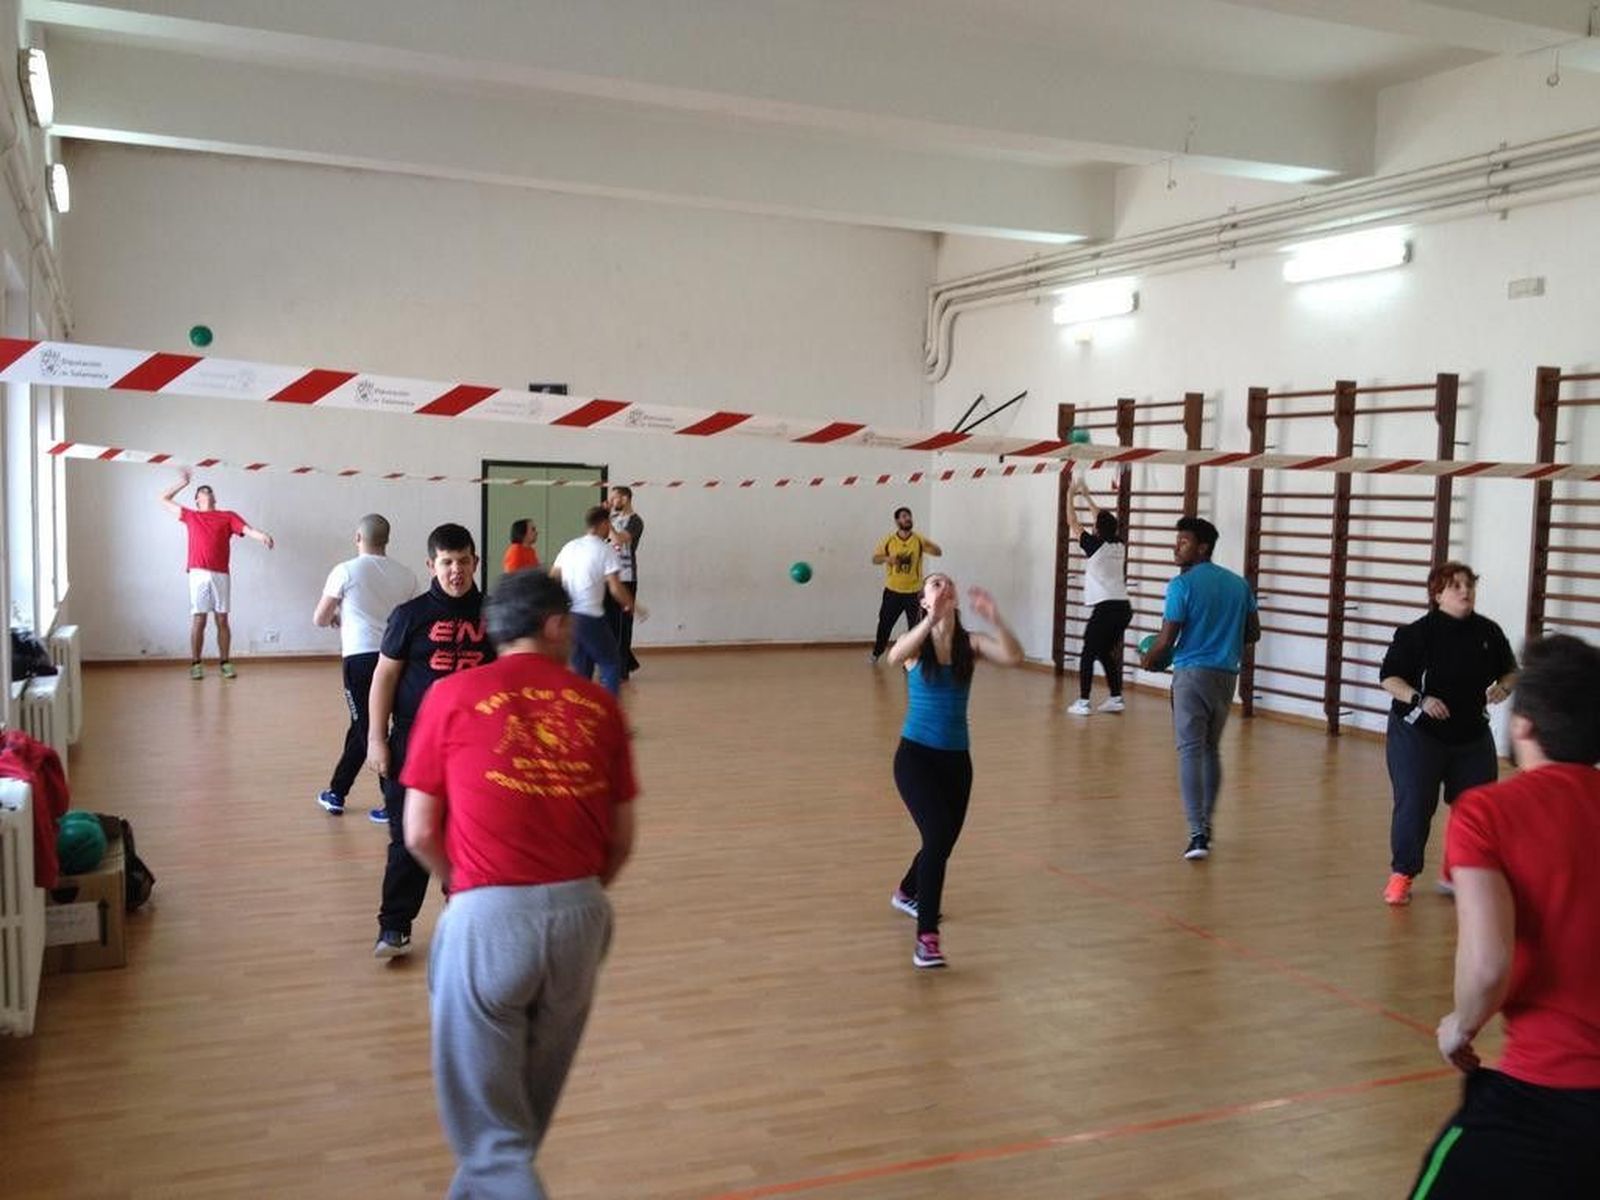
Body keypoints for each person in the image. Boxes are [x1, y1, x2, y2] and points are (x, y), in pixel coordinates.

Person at [402, 568, 636, 1200]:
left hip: (488, 918)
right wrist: (569, 898)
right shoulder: (600, 707)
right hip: (583, 918)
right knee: (512, 1133)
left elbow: (419, 831)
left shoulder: (451, 695)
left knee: (492, 1141)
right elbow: (619, 841)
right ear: (555, 624)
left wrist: (472, 893)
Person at [1406, 634, 1600, 1199]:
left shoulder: (1489, 811)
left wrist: (1460, 1027)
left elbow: (1490, 961)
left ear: (1522, 725)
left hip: (1545, 1098)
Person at [366, 523, 493, 959]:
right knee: (408, 835)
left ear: (475, 562)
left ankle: (464, 917)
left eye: (463, 561)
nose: (456, 570)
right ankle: (394, 926)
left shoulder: (497, 614)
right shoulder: (410, 615)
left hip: (477, 749)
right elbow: (384, 675)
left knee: (468, 834)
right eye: (446, 562)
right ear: (431, 565)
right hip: (414, 746)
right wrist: (375, 739)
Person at [887, 572, 1023, 969]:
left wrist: (996, 618)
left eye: (947, 582)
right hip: (915, 758)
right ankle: (927, 938)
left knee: (941, 842)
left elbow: (1014, 657)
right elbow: (895, 656)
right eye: (934, 584)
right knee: (938, 835)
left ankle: (908, 890)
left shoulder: (970, 643)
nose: (943, 586)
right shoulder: (918, 644)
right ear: (925, 601)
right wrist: (930, 621)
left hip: (957, 761)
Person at [1377, 561, 1517, 907]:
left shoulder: (1488, 632)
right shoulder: (1416, 634)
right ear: (1437, 594)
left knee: (1476, 807)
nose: (1465, 591)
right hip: (1418, 733)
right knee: (1415, 804)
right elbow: (1389, 678)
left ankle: (1456, 869)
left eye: (1469, 585)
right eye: (1455, 586)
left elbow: (1511, 671)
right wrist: (1419, 699)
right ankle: (1402, 874)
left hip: (1470, 734)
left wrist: (1504, 688)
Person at [1139, 516, 1259, 862]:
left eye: (1184, 541)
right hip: (1226, 677)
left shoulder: (1182, 586)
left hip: (1192, 676)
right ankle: (1206, 826)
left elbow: (1165, 641)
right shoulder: (1239, 585)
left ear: (1202, 547)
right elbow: (1253, 633)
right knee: (1211, 750)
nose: (1176, 546)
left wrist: (1148, 661)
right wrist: (1221, 635)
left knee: (1191, 751)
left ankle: (1196, 833)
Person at [312, 514, 418, 819]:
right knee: (361, 726)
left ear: (358, 537)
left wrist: (336, 618)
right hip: (397, 659)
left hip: (359, 660)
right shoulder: (406, 575)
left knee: (369, 729)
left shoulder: (344, 571)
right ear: (386, 540)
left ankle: (391, 802)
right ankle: (337, 791)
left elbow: (319, 618)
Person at [158, 469, 274, 679]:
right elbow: (163, 498)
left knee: (222, 620)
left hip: (221, 574)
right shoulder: (191, 516)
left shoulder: (227, 516)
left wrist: (262, 536)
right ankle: (196, 663)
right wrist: (182, 483)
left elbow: (247, 529)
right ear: (197, 499)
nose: (206, 492)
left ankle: (225, 662)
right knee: (199, 620)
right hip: (198, 573)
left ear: (214, 497)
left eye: (209, 490)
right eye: (202, 491)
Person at [550, 505, 634, 696]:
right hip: (591, 616)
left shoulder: (570, 546)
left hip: (570, 617)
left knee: (581, 670)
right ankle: (610, 714)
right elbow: (615, 587)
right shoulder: (605, 550)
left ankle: (580, 714)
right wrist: (632, 604)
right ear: (604, 524)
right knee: (611, 664)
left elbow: (553, 577)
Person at [1065, 475, 1131, 716]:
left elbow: (1072, 521)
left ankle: (1083, 702)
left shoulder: (1095, 547)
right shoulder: (1119, 544)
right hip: (1124, 608)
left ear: (1097, 530)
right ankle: (1115, 698)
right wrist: (1086, 494)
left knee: (1088, 652)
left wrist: (1070, 494)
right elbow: (1102, 519)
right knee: (1103, 651)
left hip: (1106, 608)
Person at [870, 507, 942, 665]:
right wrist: (887, 559)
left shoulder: (918, 540)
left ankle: (912, 660)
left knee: (916, 629)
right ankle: (877, 652)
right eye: (904, 516)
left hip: (914, 593)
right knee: (884, 625)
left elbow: (938, 552)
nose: (908, 518)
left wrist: (932, 546)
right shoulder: (889, 540)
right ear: (897, 521)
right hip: (892, 592)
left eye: (909, 516)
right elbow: (875, 559)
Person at [605, 485, 644, 681]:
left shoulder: (635, 521)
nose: (612, 502)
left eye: (616, 498)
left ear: (626, 498)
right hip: (609, 577)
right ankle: (623, 662)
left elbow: (620, 539)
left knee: (622, 626)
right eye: (611, 499)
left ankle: (622, 670)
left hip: (627, 578)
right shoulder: (611, 519)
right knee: (608, 623)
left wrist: (607, 523)